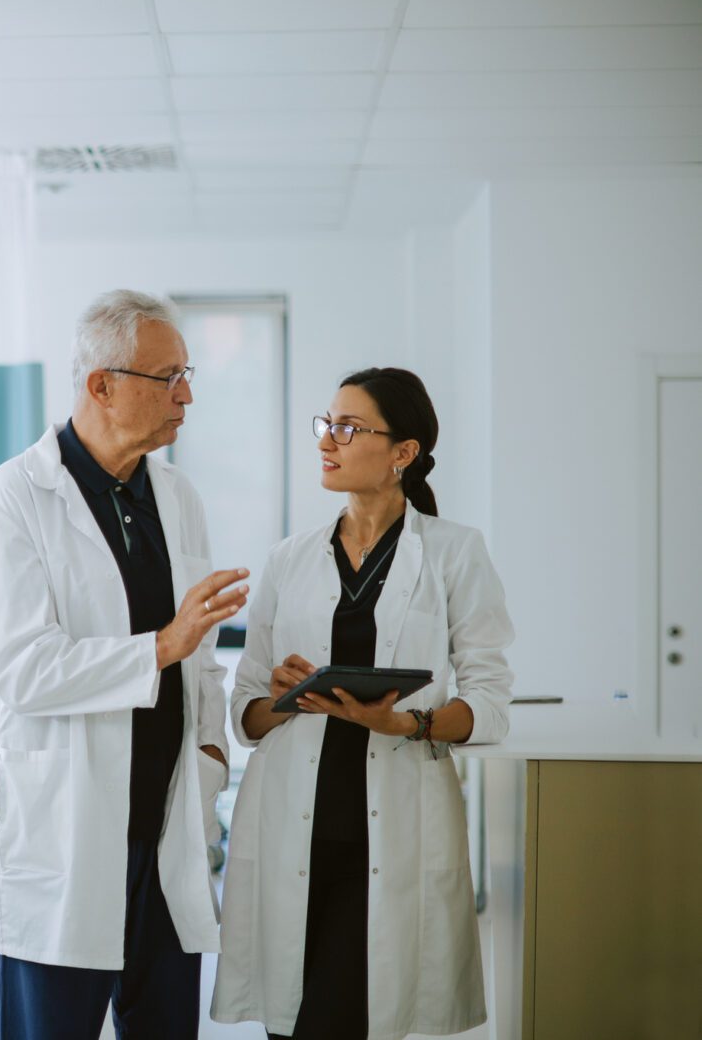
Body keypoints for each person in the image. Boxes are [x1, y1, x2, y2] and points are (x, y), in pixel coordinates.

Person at [0, 289, 248, 1040]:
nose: (186, 395)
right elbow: (23, 671)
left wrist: (211, 756)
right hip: (68, 832)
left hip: (166, 830)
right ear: (102, 384)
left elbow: (201, 657)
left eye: (187, 375)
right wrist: (159, 647)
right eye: (168, 378)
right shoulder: (13, 499)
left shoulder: (177, 496)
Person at [210, 367, 515, 1040]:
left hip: (389, 830)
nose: (327, 440)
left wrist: (405, 722)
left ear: (403, 451)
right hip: (292, 824)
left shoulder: (453, 553)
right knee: (290, 1022)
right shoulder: (288, 559)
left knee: (348, 1017)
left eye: (348, 428)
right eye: (327, 424)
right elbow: (246, 716)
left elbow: (490, 702)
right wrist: (285, 698)